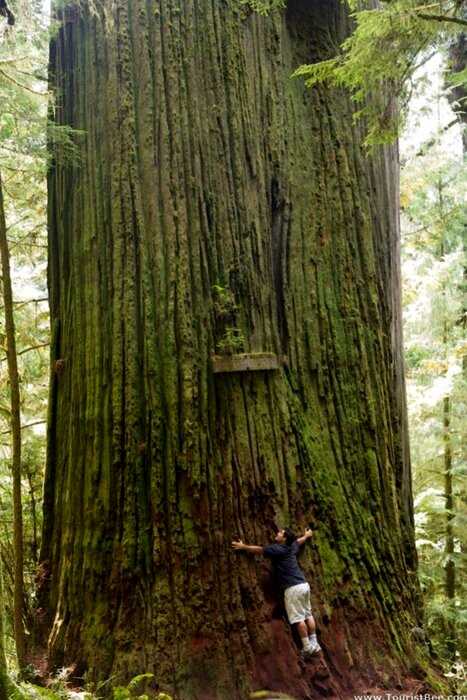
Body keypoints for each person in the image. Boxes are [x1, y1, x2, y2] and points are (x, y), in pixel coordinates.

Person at [232, 527, 321, 659]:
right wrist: (307, 536)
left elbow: (260, 550)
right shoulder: (291, 547)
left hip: (293, 588)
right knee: (308, 614)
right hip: (303, 585)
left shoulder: (278, 549)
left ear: (284, 538)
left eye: (280, 533)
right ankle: (315, 643)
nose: (278, 533)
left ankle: (307, 647)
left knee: (298, 619)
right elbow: (299, 541)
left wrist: (243, 546)